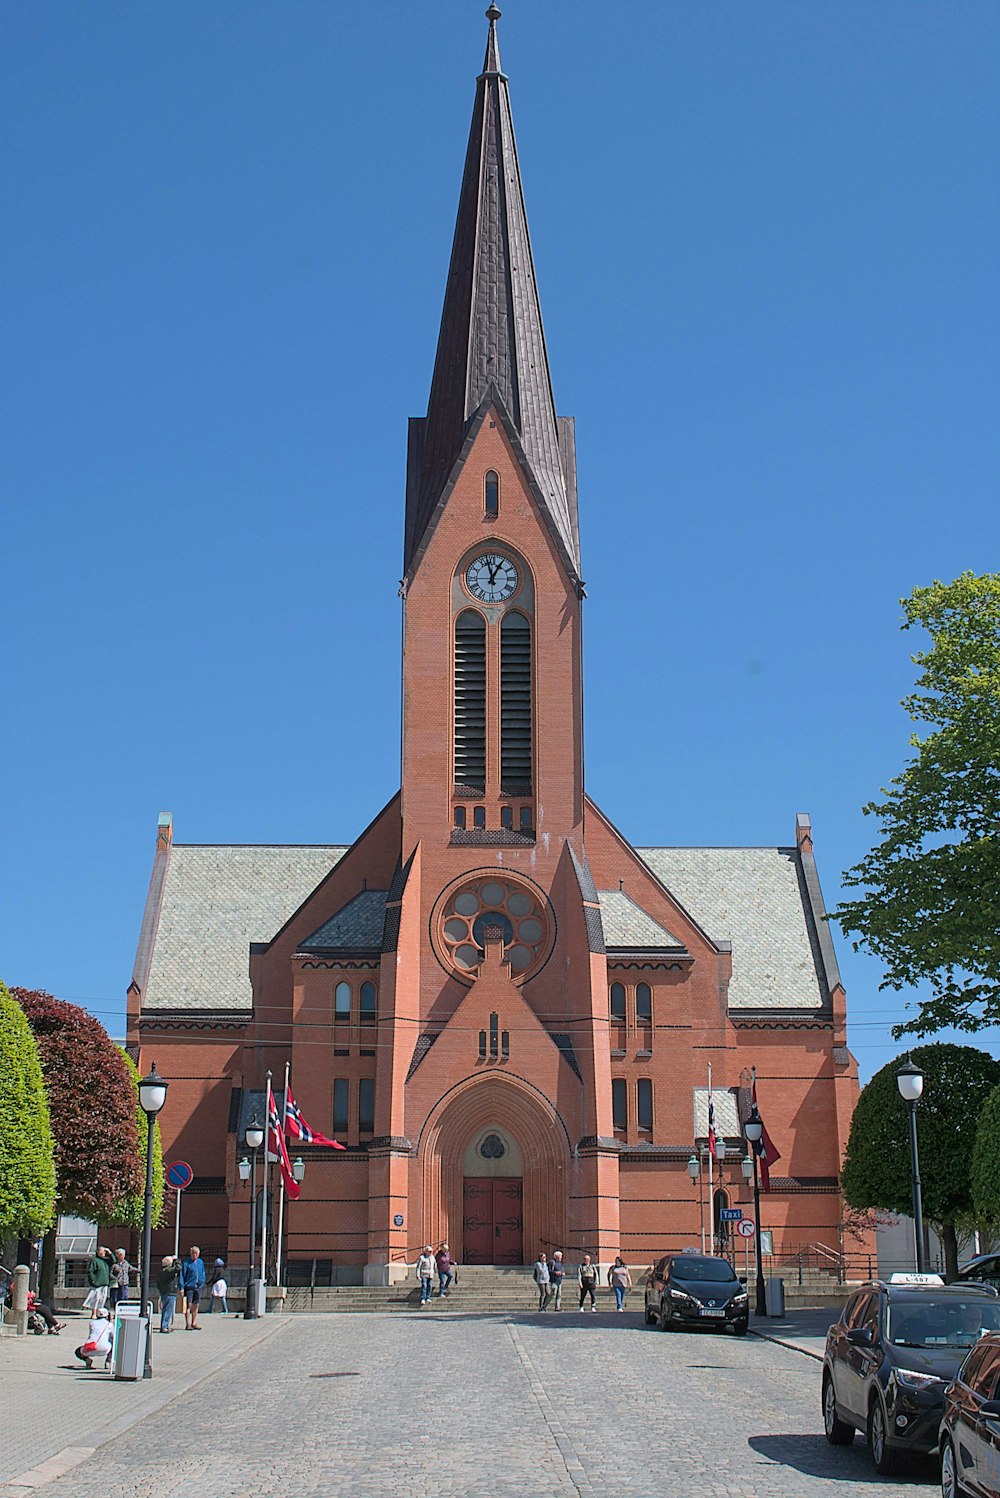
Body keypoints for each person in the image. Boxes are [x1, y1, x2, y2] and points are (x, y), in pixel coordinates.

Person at [180, 1244, 206, 1329]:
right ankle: (187, 1324)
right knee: (188, 1305)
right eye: (193, 1253)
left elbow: (202, 1273)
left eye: (196, 1253)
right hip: (189, 1287)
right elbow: (182, 1275)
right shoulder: (186, 1263)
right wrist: (182, 1287)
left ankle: (194, 1322)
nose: (194, 1255)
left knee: (196, 1305)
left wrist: (202, 1282)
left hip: (198, 1287)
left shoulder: (200, 1262)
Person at [156, 1255, 181, 1333]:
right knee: (168, 1310)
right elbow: (178, 1268)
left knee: (166, 1310)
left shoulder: (161, 1271)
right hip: (170, 1292)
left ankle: (165, 1326)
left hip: (164, 1292)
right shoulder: (168, 1271)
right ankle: (164, 1326)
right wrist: (177, 1260)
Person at [83, 1246, 111, 1312]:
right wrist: (93, 1280)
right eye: (102, 1251)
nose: (104, 1252)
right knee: (95, 1298)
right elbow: (90, 1271)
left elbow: (113, 1261)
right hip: (97, 1283)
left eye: (104, 1251)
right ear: (98, 1252)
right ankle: (94, 1312)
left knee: (102, 1298)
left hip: (104, 1283)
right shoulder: (95, 1260)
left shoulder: (105, 1261)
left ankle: (99, 1312)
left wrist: (109, 1253)